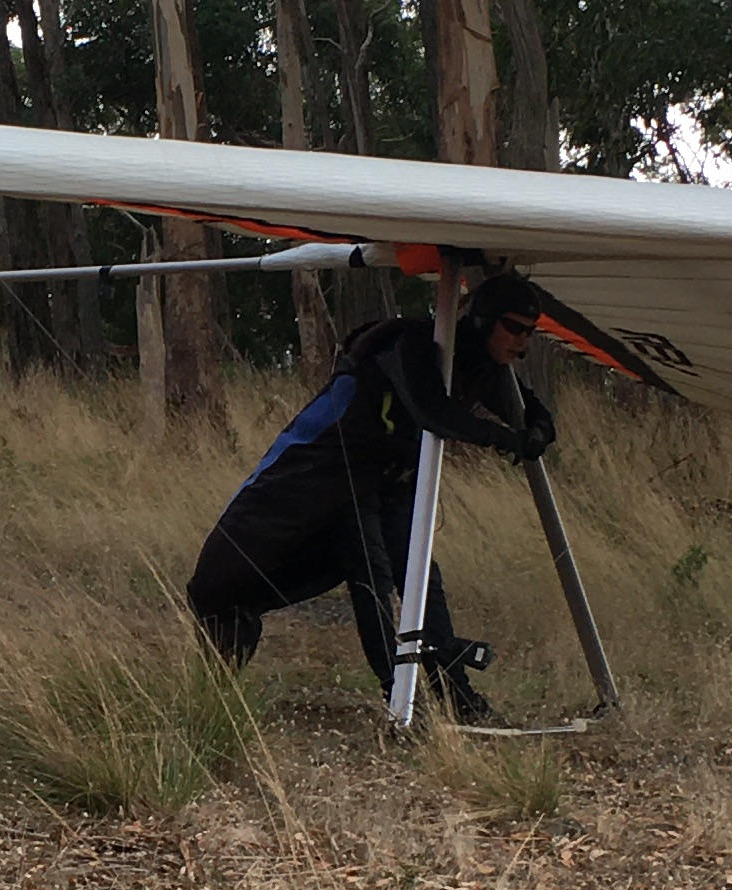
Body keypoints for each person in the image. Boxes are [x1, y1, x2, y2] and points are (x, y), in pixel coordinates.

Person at [187, 272, 556, 719]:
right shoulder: (412, 345)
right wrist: (505, 440)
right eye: (514, 328)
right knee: (369, 571)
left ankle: (456, 698)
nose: (522, 342)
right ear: (482, 319)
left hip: (389, 480)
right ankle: (400, 700)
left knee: (421, 577)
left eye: (530, 332)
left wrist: (536, 431)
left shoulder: (483, 365)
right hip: (336, 473)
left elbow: (534, 411)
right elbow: (433, 413)